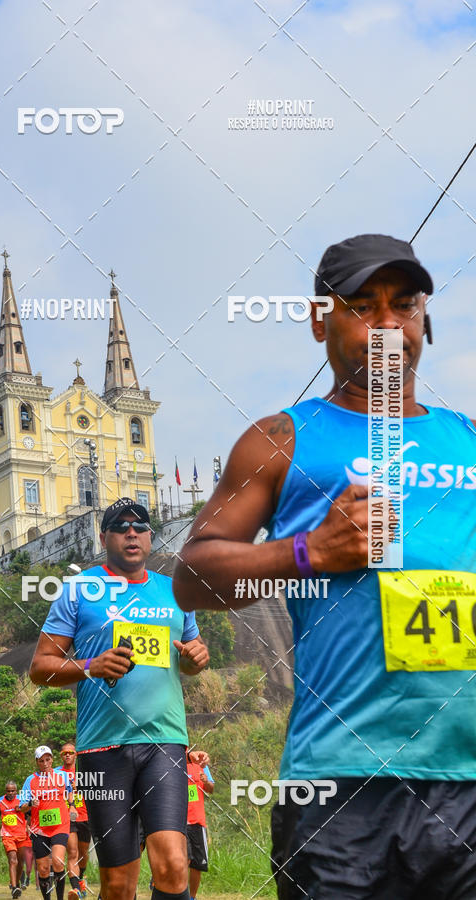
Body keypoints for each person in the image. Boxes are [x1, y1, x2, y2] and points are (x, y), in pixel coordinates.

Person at [173, 233, 476, 898]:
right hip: (341, 783)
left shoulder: (469, 438)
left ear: (426, 319)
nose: (387, 325)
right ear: (319, 320)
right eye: (362, 306)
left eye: (405, 305)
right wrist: (311, 550)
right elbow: (192, 578)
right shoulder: (281, 438)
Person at [30, 497, 210, 900]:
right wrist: (91, 665)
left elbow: (193, 655)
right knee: (117, 884)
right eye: (121, 526)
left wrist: (198, 658)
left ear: (149, 536)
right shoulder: (79, 589)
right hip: (101, 751)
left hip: (164, 742)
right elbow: (41, 667)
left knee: (173, 864)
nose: (132, 532)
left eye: (140, 526)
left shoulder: (175, 592)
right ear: (104, 536)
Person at [20, 745, 73, 900]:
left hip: (60, 825)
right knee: (43, 869)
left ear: (52, 759)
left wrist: (72, 806)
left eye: (48, 759)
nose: (45, 763)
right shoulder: (30, 780)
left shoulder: (62, 776)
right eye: (42, 760)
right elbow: (21, 807)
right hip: (39, 829)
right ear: (37, 762)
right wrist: (30, 803)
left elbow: (70, 791)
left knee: (57, 861)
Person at [54, 743, 89, 899]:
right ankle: (76, 889)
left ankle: (81, 878)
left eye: (71, 753)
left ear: (76, 755)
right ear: (61, 755)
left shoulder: (84, 771)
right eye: (64, 753)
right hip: (67, 817)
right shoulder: (56, 773)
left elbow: (97, 790)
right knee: (73, 852)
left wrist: (82, 787)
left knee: (83, 854)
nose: (68, 755)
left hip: (85, 816)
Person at [185, 750, 214, 900]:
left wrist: (205, 780)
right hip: (178, 820)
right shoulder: (174, 761)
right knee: (183, 859)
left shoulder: (201, 764)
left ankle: (191, 897)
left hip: (197, 820)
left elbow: (210, 789)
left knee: (198, 863)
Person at [0, 780, 30, 898]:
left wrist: (20, 809)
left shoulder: (21, 800)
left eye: (13, 791)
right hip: (7, 835)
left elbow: (28, 813)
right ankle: (14, 887)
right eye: (8, 791)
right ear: (6, 791)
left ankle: (16, 882)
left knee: (20, 862)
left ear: (16, 791)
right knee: (12, 860)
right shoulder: (1, 801)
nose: (10, 793)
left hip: (21, 835)